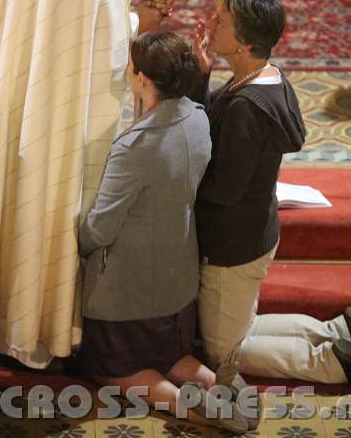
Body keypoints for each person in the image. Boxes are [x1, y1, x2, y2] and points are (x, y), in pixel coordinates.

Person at [0, 0, 181, 368]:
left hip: (15, 52)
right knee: (43, 185)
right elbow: (86, 38)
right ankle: (29, 326)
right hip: (46, 84)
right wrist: (137, 28)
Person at [192, 0, 351, 390]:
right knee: (244, 323)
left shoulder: (246, 108)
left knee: (224, 353)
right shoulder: (268, 79)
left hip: (232, 243)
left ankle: (335, 363)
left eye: (220, 21)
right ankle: (337, 332)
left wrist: (178, 186)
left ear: (244, 43)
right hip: (255, 229)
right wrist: (203, 73)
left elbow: (223, 190)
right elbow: (212, 116)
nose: (211, 25)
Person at [77, 32, 248, 434]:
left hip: (128, 294)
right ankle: (212, 381)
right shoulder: (197, 117)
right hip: (177, 287)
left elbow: (100, 227)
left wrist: (75, 240)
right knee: (169, 354)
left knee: (112, 369)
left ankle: (190, 406)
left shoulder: (136, 145)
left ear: (140, 80)